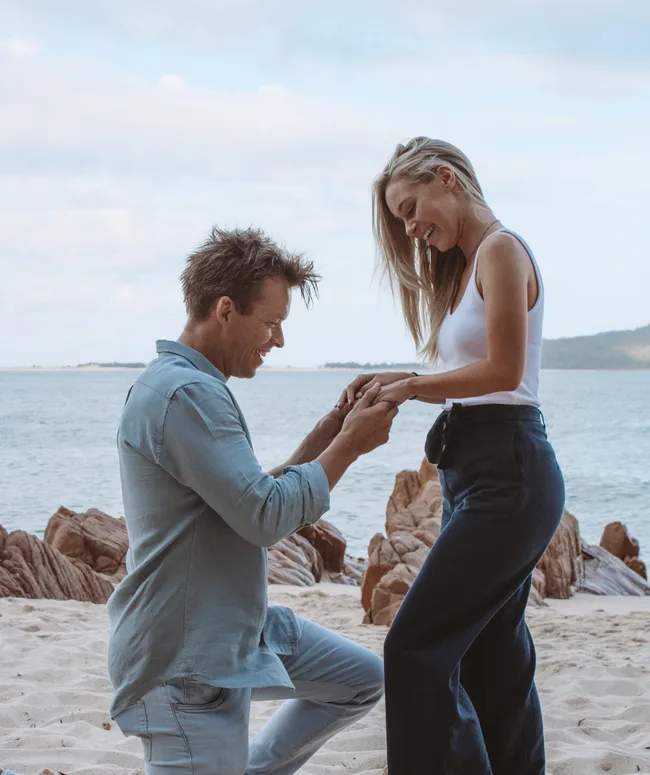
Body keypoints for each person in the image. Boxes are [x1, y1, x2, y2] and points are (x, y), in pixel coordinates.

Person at [108, 226, 397, 775]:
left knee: (360, 680)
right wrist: (352, 447)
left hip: (238, 627)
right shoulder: (185, 393)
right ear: (224, 310)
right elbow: (264, 517)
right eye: (270, 323)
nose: (279, 340)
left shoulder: (189, 386)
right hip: (186, 660)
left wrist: (333, 431)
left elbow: (247, 498)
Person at [339, 137, 565, 775]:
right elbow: (471, 370)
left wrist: (412, 388)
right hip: (480, 471)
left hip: (509, 472)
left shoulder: (500, 248)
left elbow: (504, 370)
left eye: (412, 209)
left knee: (414, 647)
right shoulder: (470, 265)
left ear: (446, 179)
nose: (411, 229)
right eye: (401, 220)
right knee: (493, 654)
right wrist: (397, 378)